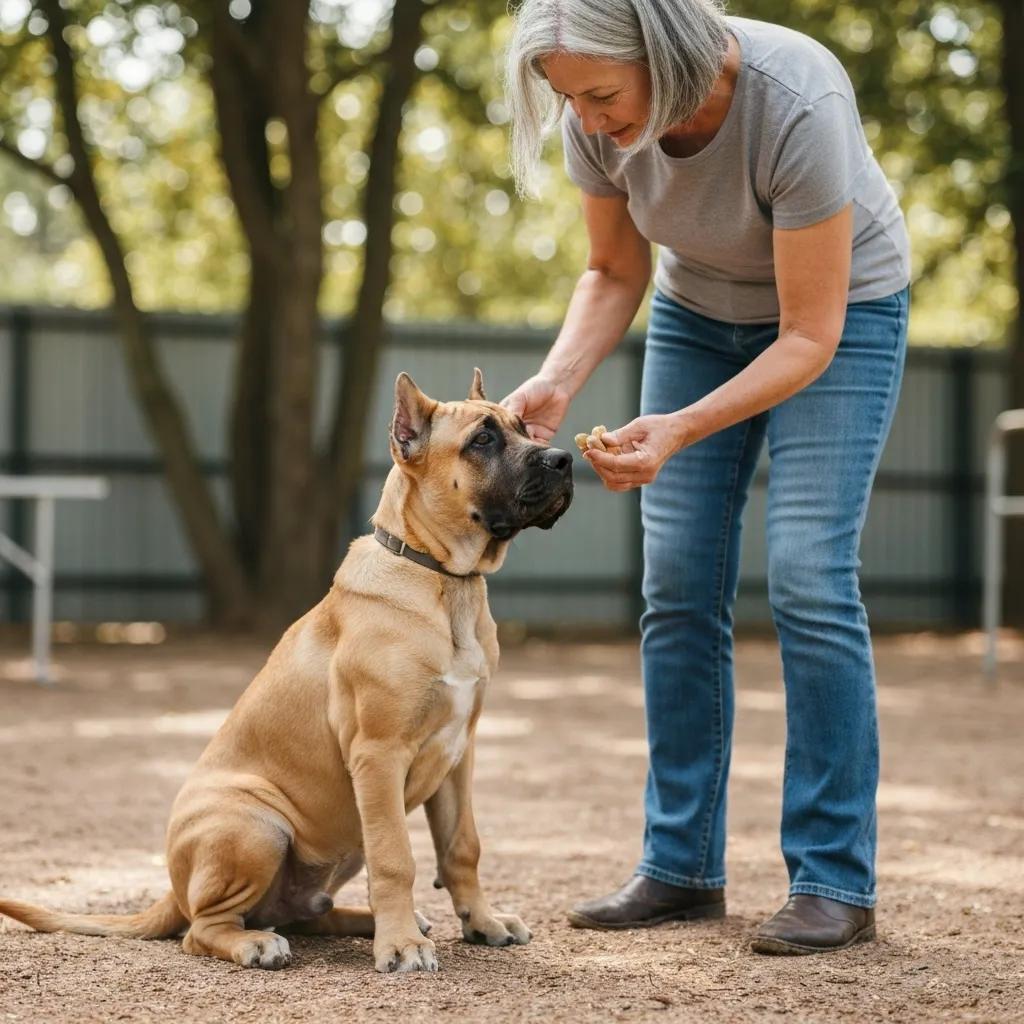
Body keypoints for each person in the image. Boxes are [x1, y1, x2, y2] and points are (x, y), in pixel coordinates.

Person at [501, 0, 910, 955]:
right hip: (696, 311)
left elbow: (809, 332)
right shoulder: (590, 118)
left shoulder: (795, 97)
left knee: (809, 573)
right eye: (570, 101)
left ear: (666, 51)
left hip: (839, 319)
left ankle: (833, 880)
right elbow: (611, 270)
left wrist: (678, 429)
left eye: (603, 94)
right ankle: (681, 867)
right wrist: (558, 384)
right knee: (677, 579)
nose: (590, 120)